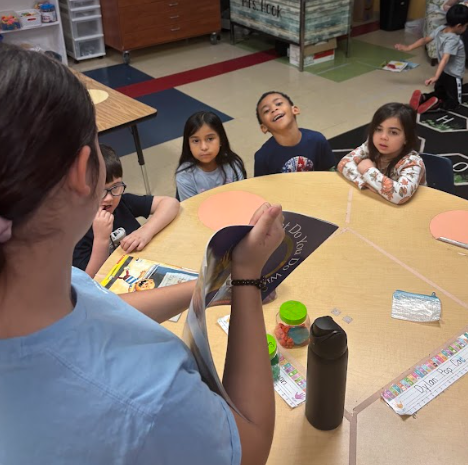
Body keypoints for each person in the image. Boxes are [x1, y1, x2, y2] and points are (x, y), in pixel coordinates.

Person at [0, 43, 284, 465]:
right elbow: (251, 446)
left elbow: (98, 306)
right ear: (83, 171)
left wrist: (203, 289)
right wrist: (244, 276)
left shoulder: (43, 285)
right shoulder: (150, 398)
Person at [73, 144, 180, 278]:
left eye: (116, 187)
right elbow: (91, 280)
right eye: (100, 191)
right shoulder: (75, 230)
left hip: (144, 270)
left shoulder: (122, 202)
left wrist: (145, 231)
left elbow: (171, 203)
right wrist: (101, 239)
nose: (109, 198)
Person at [338, 103, 426, 205]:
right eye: (378, 129)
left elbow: (399, 196)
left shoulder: (413, 162)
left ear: (406, 138)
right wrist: (366, 183)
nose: (383, 137)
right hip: (379, 202)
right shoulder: (370, 146)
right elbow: (343, 163)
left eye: (393, 132)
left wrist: (368, 170)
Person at [396, 4, 468, 113]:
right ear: (459, 26)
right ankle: (437, 104)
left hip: (443, 72)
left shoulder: (441, 29)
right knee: (454, 102)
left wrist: (409, 47)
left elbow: (425, 39)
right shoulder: (453, 39)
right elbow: (445, 58)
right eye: (466, 26)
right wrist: (435, 76)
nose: (466, 28)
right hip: (454, 75)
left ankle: (424, 98)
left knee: (439, 92)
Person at [254, 91, 335, 176]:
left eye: (278, 104)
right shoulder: (263, 157)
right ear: (264, 128)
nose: (274, 109)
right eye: (266, 111)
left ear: (295, 110)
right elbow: (262, 187)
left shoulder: (317, 140)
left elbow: (329, 172)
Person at [176, 111, 246, 201]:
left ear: (221, 140)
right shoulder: (185, 176)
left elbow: (241, 200)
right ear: (188, 145)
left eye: (210, 139)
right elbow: (190, 212)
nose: (204, 147)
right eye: (196, 141)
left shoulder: (233, 164)